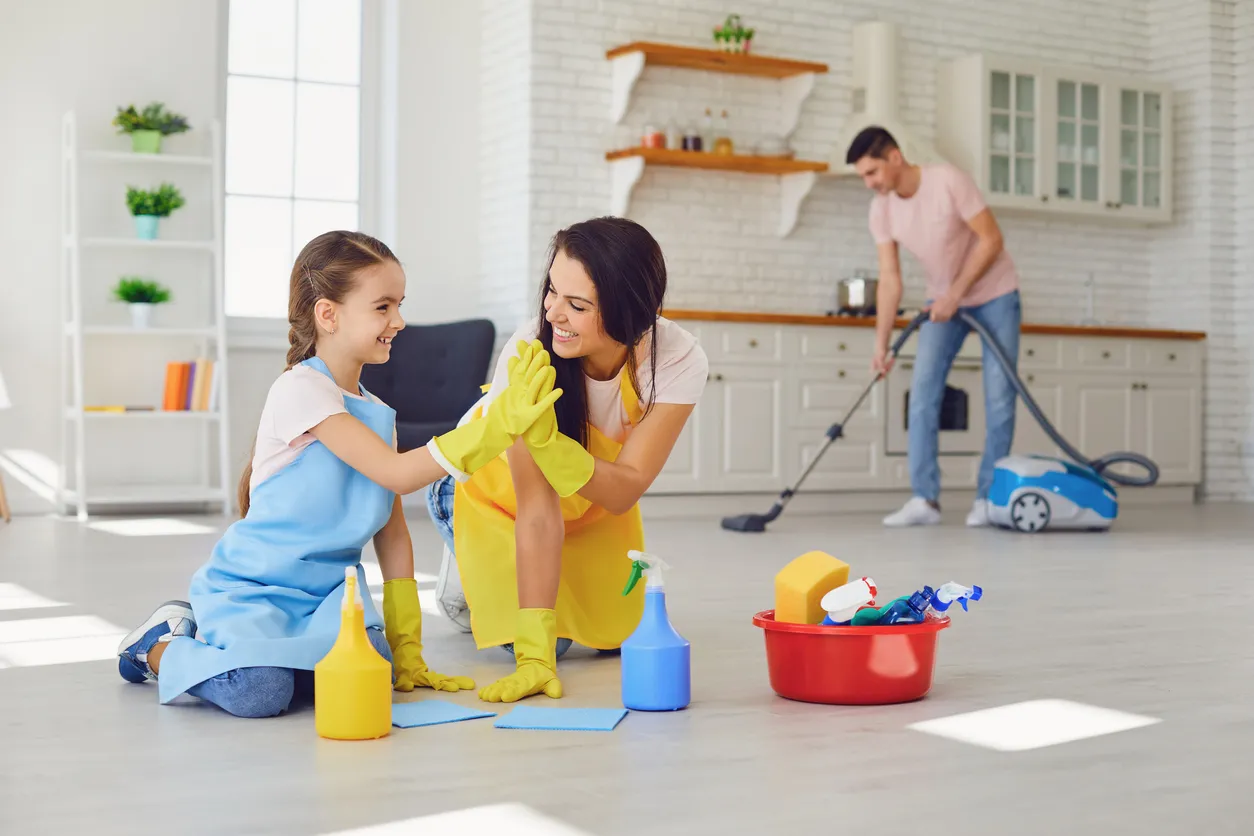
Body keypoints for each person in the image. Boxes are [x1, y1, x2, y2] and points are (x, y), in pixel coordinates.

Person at [115, 230, 563, 718]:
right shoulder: (301, 391)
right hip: (257, 591)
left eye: (399, 305)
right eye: (383, 307)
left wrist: (407, 648)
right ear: (328, 315)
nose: (399, 321)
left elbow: (393, 533)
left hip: (328, 598)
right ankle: (158, 644)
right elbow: (397, 474)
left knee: (372, 672)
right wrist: (494, 427)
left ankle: (264, 655)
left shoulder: (378, 413)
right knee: (260, 692)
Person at [426, 216, 708, 704]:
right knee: (550, 642)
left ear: (629, 314)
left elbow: (625, 489)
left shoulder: (676, 358)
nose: (553, 312)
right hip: (492, 497)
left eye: (577, 305)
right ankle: (460, 587)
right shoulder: (529, 352)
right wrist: (535, 655)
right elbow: (536, 508)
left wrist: (556, 450)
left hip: (587, 503)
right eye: (552, 292)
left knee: (616, 635)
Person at [846, 126, 1022, 528]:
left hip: (994, 295)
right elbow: (890, 278)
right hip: (941, 304)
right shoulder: (881, 209)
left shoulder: (948, 181)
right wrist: (882, 345)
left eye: (872, 172)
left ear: (895, 157)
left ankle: (988, 499)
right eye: (863, 176)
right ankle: (924, 499)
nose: (869, 183)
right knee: (923, 394)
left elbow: (991, 240)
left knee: (999, 398)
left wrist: (956, 294)